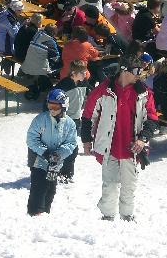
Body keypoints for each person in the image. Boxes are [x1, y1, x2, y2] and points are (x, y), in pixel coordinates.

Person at [81, 55, 159, 221]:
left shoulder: (144, 93)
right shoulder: (104, 90)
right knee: (109, 185)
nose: (140, 74)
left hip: (132, 149)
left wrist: (143, 139)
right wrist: (86, 140)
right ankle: (107, 217)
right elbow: (88, 116)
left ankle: (127, 216)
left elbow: (152, 119)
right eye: (137, 71)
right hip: (109, 147)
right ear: (124, 70)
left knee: (129, 186)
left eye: (142, 70)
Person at [26, 89, 77, 216]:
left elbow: (71, 143)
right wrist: (44, 152)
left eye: (55, 106)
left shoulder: (69, 124)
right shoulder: (40, 119)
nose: (52, 109)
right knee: (39, 187)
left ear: (64, 106)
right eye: (50, 105)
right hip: (39, 160)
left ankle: (45, 212)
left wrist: (59, 154)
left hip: (56, 163)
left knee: (50, 188)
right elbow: (31, 139)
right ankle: (35, 212)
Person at [55, 60, 89, 182]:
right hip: (63, 121)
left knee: (71, 149)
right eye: (82, 72)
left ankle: (65, 174)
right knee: (69, 149)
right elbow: (51, 103)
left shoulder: (83, 83)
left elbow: (90, 95)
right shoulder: (64, 85)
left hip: (75, 120)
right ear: (74, 73)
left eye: (85, 71)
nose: (85, 74)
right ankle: (63, 174)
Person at [20, 22, 60, 99]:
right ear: (52, 33)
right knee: (60, 64)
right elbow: (56, 57)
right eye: (55, 33)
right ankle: (48, 84)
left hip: (27, 63)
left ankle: (44, 82)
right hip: (39, 68)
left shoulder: (37, 35)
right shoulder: (50, 42)